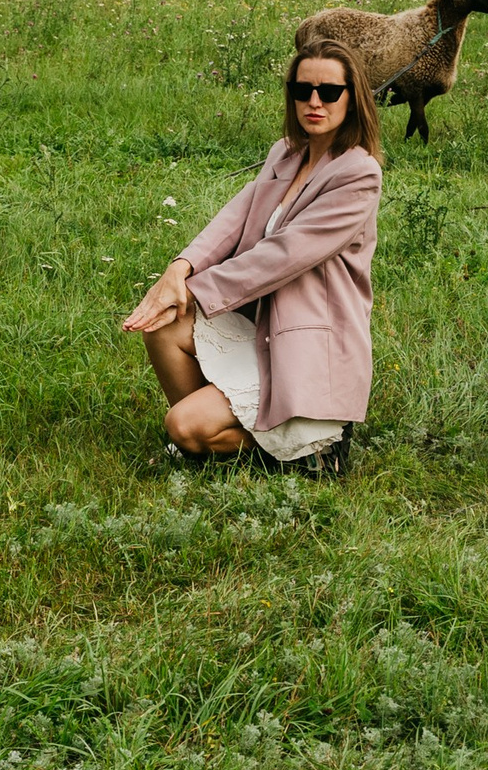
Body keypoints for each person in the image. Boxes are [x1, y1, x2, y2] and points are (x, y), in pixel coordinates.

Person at [121, 40, 383, 464]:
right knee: (163, 325)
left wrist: (195, 291)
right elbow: (234, 220)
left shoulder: (358, 174)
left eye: (330, 92)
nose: (314, 102)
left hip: (306, 350)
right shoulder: (286, 152)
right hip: (260, 328)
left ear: (353, 100)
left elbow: (282, 255)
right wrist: (179, 270)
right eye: (303, 90)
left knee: (182, 426)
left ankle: (311, 451)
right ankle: (215, 434)